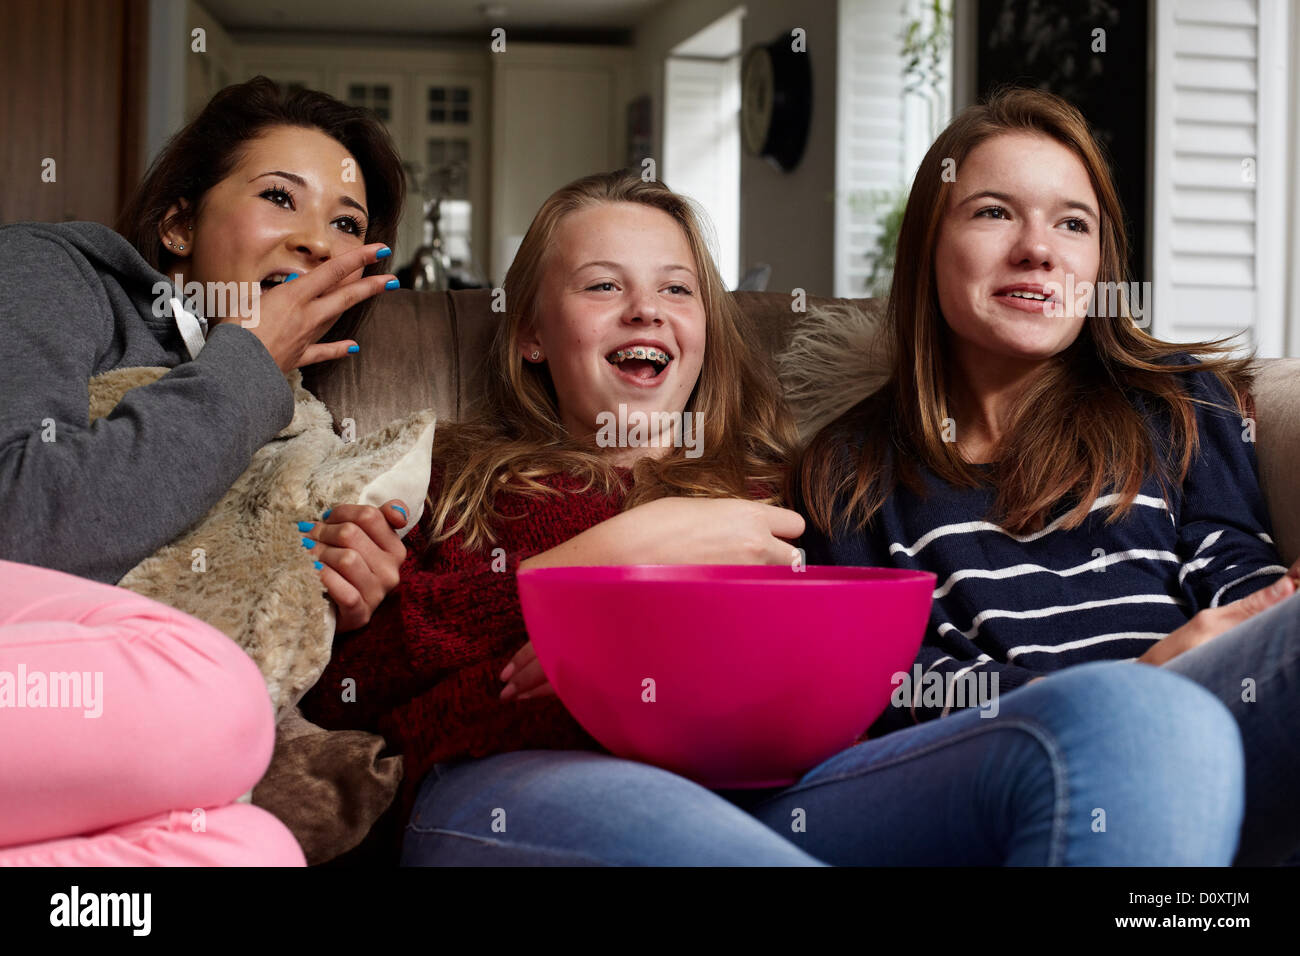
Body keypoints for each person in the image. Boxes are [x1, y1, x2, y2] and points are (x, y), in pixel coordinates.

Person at [300, 169, 1247, 866]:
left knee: (1120, 717)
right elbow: (378, 696)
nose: (647, 310)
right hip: (511, 784)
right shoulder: (462, 475)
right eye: (602, 286)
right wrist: (623, 558)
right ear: (531, 335)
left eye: (676, 288)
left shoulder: (778, 491)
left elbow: (861, 691)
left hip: (771, 797)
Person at [795, 86, 1300, 866]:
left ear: (1100, 264)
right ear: (930, 243)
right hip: (1004, 766)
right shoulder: (848, 470)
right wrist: (1131, 685)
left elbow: (1233, 567)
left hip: (1220, 719)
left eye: (1073, 223)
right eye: (995, 212)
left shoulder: (1174, 401)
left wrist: (1266, 615)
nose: (1039, 249)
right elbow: (894, 689)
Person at [0, 77, 411, 865]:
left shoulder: (298, 424)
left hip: (109, 736)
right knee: (219, 709)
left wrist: (341, 603)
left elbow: (254, 626)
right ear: (179, 223)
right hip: (67, 680)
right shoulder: (50, 272)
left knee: (254, 847)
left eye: (347, 224)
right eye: (280, 198)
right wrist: (249, 365)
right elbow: (23, 523)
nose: (318, 242)